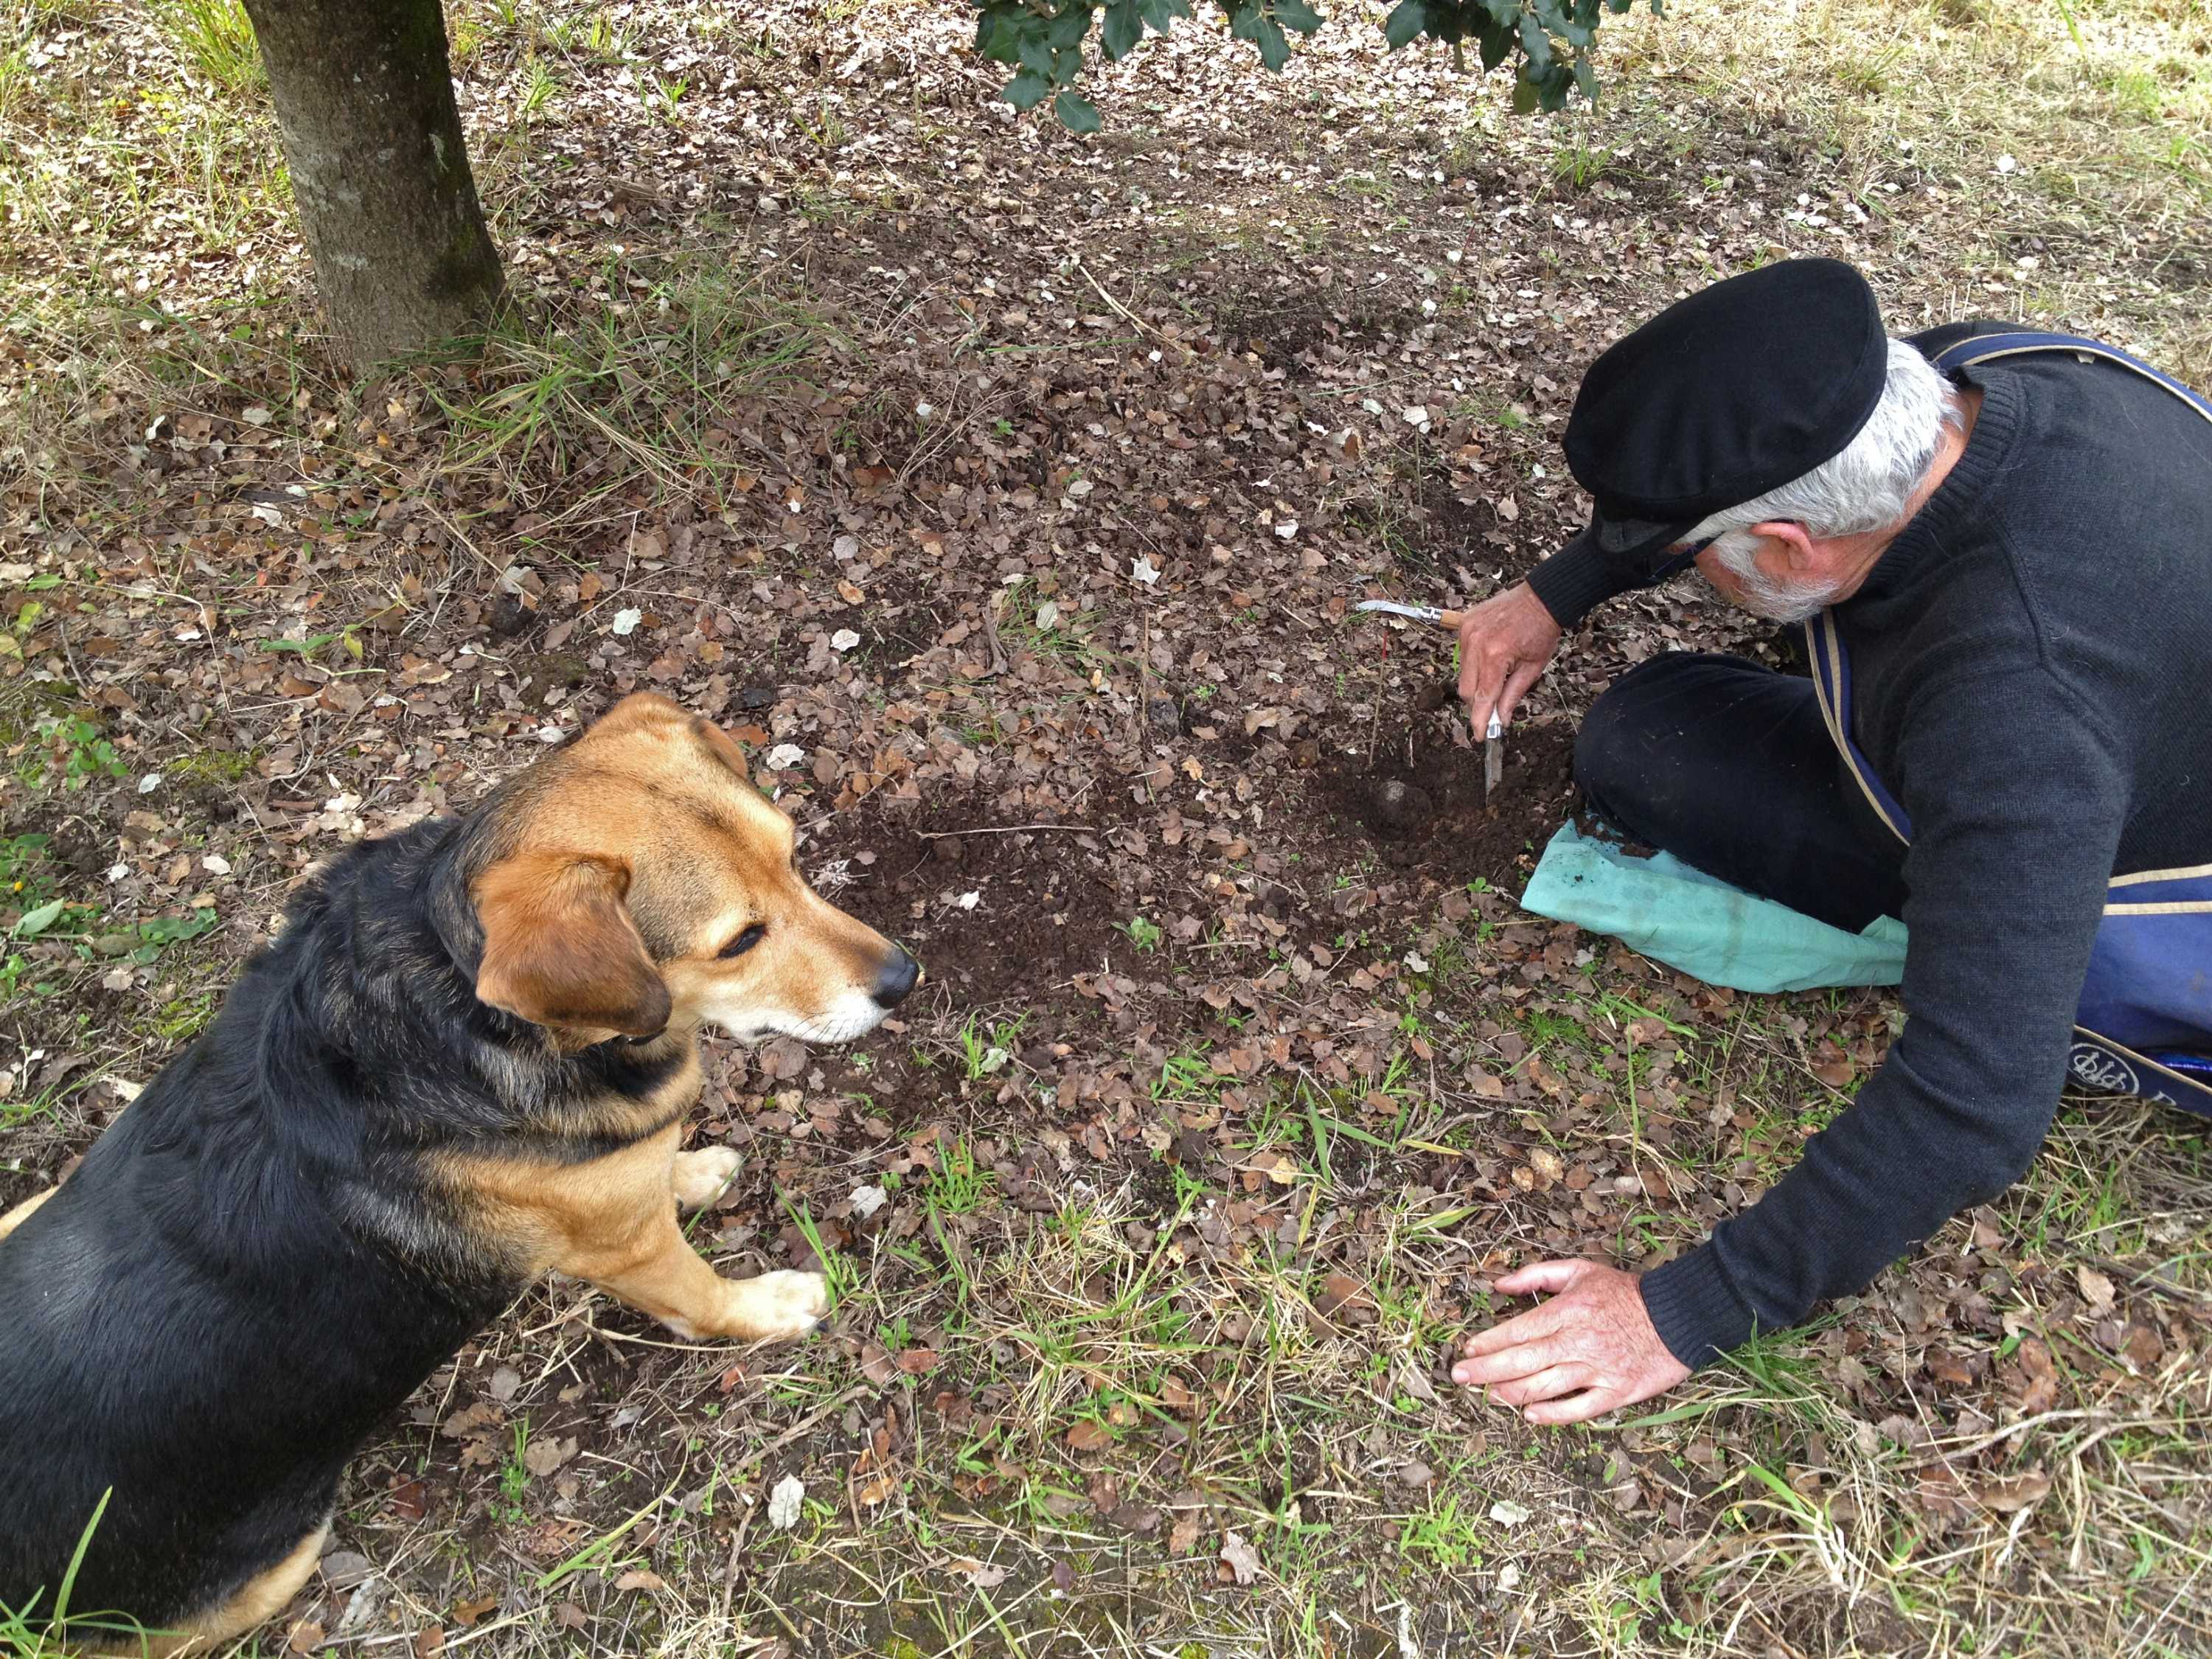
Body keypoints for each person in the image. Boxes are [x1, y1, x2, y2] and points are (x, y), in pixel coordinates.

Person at [1444, 258, 2212, 1424]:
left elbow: (1980, 1095)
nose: (1682, 569)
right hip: (2149, 682)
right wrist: (1559, 589)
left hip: (2148, 854)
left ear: (1796, 545)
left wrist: (1683, 1309)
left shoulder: (2011, 710)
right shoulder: (1981, 374)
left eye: (1695, 551)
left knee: (1647, 737)